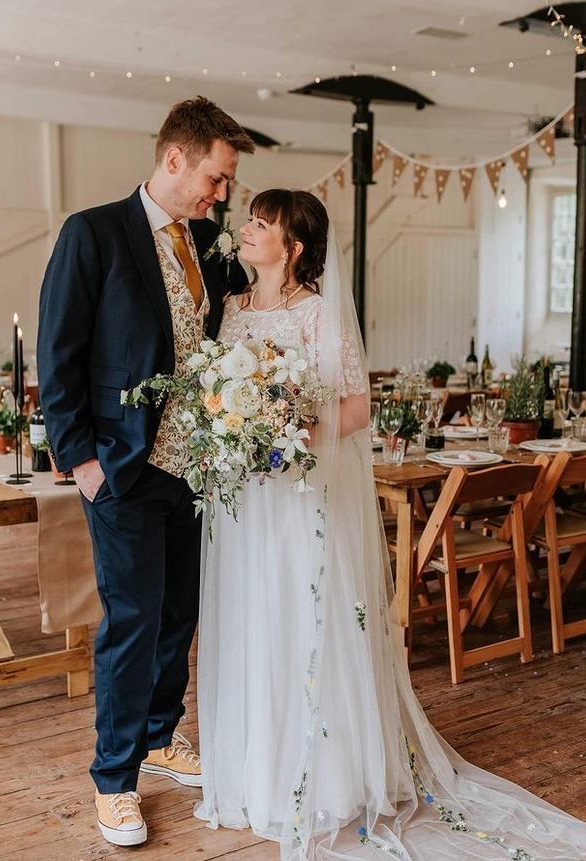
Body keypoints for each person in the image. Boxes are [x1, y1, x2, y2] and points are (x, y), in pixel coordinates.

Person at [195, 188, 586, 860]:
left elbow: (355, 408)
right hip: (247, 501)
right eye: (250, 220)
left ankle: (322, 781)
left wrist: (289, 431)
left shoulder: (317, 314)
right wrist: (234, 433)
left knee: (300, 619)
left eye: (264, 223)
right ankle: (254, 774)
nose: (249, 230)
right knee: (251, 618)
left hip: (299, 495)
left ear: (292, 248)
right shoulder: (229, 311)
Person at [37, 97, 254, 848]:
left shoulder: (206, 241)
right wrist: (82, 461)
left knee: (178, 615)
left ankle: (161, 735)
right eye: (216, 178)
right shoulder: (92, 233)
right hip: (122, 469)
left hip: (195, 469)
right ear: (174, 160)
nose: (221, 194)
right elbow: (58, 355)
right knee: (130, 624)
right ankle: (114, 780)